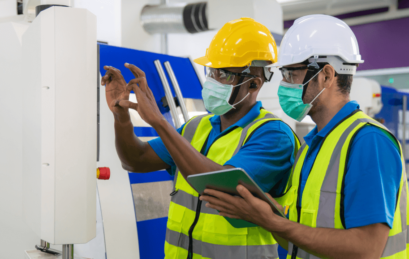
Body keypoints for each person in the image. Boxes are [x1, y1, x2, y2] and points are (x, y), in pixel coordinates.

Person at [200, 14, 409, 259]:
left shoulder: (368, 141)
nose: (283, 84)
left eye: (291, 74)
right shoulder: (312, 147)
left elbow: (366, 249)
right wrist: (264, 213)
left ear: (326, 75)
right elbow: (298, 236)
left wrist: (273, 221)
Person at [101, 17, 300, 259]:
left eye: (224, 75)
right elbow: (135, 160)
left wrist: (160, 122)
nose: (213, 80)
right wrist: (121, 117)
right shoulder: (196, 127)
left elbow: (220, 187)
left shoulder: (273, 135)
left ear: (254, 84)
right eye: (211, 71)